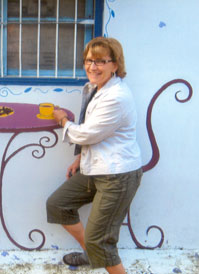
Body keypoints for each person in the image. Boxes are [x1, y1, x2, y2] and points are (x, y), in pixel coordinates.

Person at [47, 37, 142, 274]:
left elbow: (88, 133)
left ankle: (94, 250)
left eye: (101, 61)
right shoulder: (96, 88)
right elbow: (98, 131)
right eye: (89, 60)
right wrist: (80, 158)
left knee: (101, 240)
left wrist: (62, 121)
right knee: (58, 205)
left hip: (117, 175)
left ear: (115, 65)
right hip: (96, 167)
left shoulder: (116, 96)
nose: (92, 66)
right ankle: (90, 253)